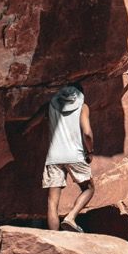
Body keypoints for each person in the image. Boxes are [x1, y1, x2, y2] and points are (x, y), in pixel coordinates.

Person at [27, 83, 95, 231]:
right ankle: (71, 218)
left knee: (52, 203)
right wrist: (90, 152)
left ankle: (54, 239)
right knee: (89, 188)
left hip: (54, 157)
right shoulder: (83, 107)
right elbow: (88, 133)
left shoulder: (49, 105)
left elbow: (29, 125)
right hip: (75, 155)